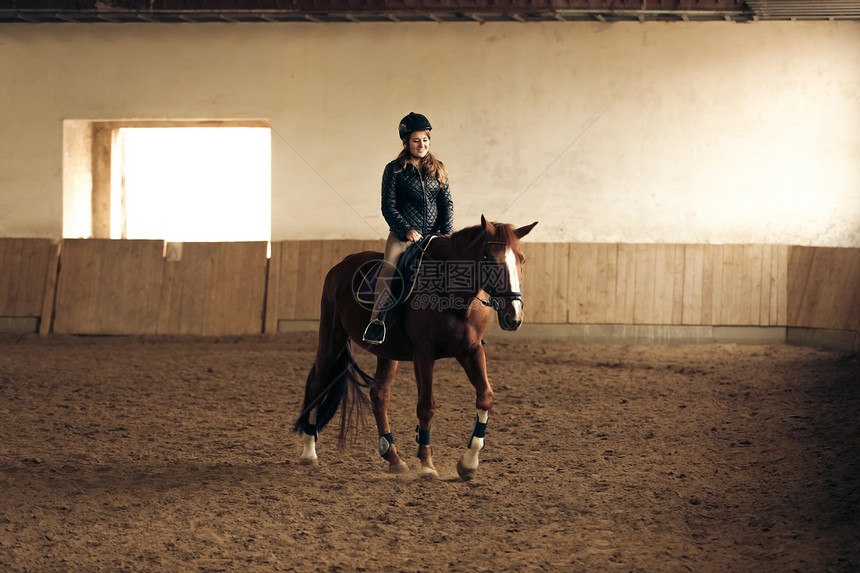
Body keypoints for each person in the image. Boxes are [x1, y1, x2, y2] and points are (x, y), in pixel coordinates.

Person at [362, 112, 454, 345]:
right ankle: (377, 322)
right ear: (406, 142)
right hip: (404, 236)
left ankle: (461, 325)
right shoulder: (394, 170)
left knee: (457, 268)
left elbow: (446, 203)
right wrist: (406, 230)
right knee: (390, 270)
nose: (422, 145)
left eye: (425, 140)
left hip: (434, 236)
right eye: (416, 140)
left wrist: (447, 231)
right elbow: (388, 206)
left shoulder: (439, 169)